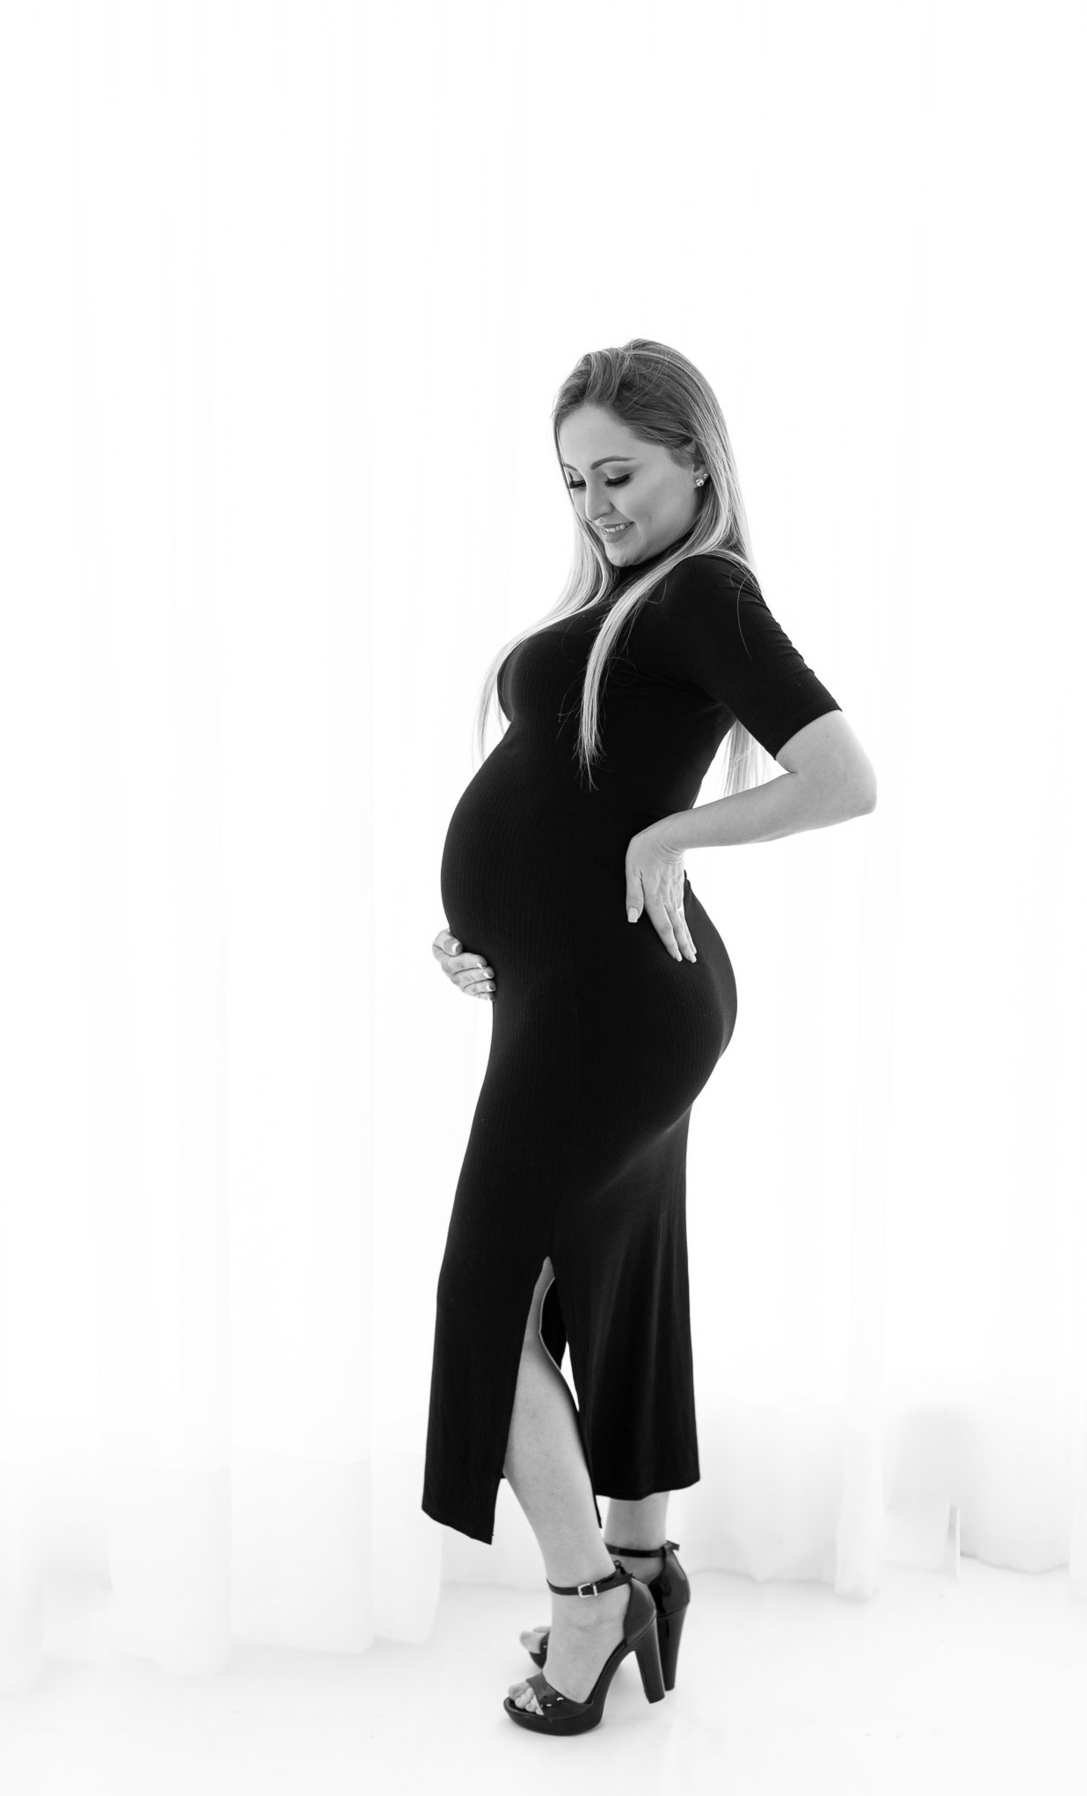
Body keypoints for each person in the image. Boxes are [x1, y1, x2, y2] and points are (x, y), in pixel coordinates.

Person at [424, 338, 876, 1734]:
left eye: (618, 473)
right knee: (624, 1278)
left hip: (616, 1007)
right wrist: (490, 932)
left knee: (488, 1307)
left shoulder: (702, 591)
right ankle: (639, 1566)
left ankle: (588, 1609)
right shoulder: (631, 600)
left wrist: (675, 833)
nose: (595, 504)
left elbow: (842, 776)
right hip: (579, 995)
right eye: (574, 482)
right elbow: (566, 804)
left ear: (697, 460)